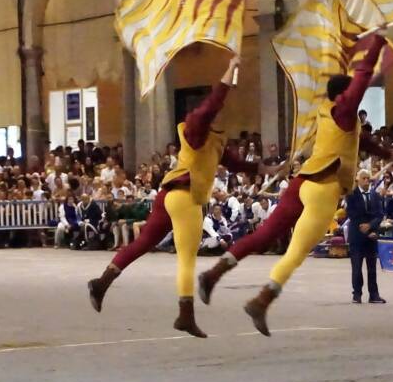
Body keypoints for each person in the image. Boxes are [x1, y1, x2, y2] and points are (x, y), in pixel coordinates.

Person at [198, 30, 393, 335]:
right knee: (296, 251)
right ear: (344, 97)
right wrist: (378, 42)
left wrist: (389, 152)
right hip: (324, 187)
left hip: (302, 181)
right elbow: (361, 76)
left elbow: (364, 142)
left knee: (265, 234)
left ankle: (214, 273)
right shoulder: (345, 111)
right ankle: (262, 300)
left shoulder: (330, 114)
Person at [86, 56, 262, 338]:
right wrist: (230, 69)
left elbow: (239, 164)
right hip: (185, 197)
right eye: (220, 108)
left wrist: (270, 167)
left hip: (170, 195)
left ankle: (101, 282)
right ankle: (185, 315)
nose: (224, 110)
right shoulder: (195, 128)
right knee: (186, 260)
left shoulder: (214, 139)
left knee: (145, 242)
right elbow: (211, 105)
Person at [346, 170, 386, 303]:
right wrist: (366, 229)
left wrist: (372, 229)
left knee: (372, 268)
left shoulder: (375, 195)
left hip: (371, 236)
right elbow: (353, 214)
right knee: (356, 267)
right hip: (357, 236)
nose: (366, 181)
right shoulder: (351, 195)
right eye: (363, 178)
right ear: (357, 180)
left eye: (368, 178)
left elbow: (379, 215)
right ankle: (357, 294)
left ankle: (374, 295)